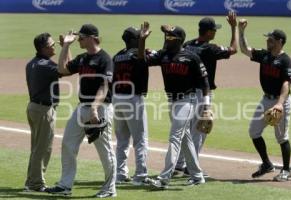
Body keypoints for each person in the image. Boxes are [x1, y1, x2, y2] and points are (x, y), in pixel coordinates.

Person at [45, 24, 117, 197]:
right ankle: (65, 185)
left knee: (104, 150)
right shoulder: (83, 58)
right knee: (68, 144)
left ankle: (109, 188)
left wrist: (94, 108)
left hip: (100, 108)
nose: (79, 40)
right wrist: (66, 46)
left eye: (81, 38)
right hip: (81, 108)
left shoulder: (105, 59)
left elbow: (105, 86)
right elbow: (63, 69)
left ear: (92, 38)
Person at [140, 24, 211, 189]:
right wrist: (142, 40)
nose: (167, 39)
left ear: (179, 40)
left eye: (171, 37)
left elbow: (205, 83)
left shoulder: (191, 57)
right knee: (185, 139)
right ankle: (197, 175)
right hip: (172, 101)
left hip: (188, 101)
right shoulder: (163, 55)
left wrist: (206, 107)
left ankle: (164, 178)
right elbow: (142, 60)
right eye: (167, 37)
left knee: (174, 137)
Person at [175, 11, 238, 176]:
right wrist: (234, 28)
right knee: (200, 130)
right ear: (209, 32)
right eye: (214, 30)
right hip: (201, 93)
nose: (216, 32)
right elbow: (233, 49)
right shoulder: (210, 48)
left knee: (186, 130)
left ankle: (179, 164)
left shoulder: (187, 45)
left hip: (184, 94)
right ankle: (191, 167)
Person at [238, 19, 291, 181]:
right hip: (265, 100)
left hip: (280, 101)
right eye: (267, 38)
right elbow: (244, 49)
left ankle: (286, 170)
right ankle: (267, 164)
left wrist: (279, 104)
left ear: (279, 42)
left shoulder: (286, 61)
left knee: (282, 137)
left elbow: (286, 83)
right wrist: (241, 31)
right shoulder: (264, 55)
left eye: (270, 39)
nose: (267, 41)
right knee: (254, 131)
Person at [24, 32, 62, 192]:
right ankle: (36, 184)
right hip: (43, 109)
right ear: (44, 48)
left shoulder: (33, 63)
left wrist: (64, 46)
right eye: (52, 45)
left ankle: (31, 181)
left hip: (34, 107)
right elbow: (65, 69)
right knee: (43, 148)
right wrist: (66, 46)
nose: (54, 46)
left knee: (36, 147)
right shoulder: (45, 65)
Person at [112, 26, 149, 185]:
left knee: (122, 139)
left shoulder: (117, 56)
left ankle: (120, 174)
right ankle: (140, 175)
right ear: (134, 40)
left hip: (116, 98)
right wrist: (143, 41)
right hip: (132, 99)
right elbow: (142, 58)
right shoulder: (137, 54)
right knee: (140, 139)